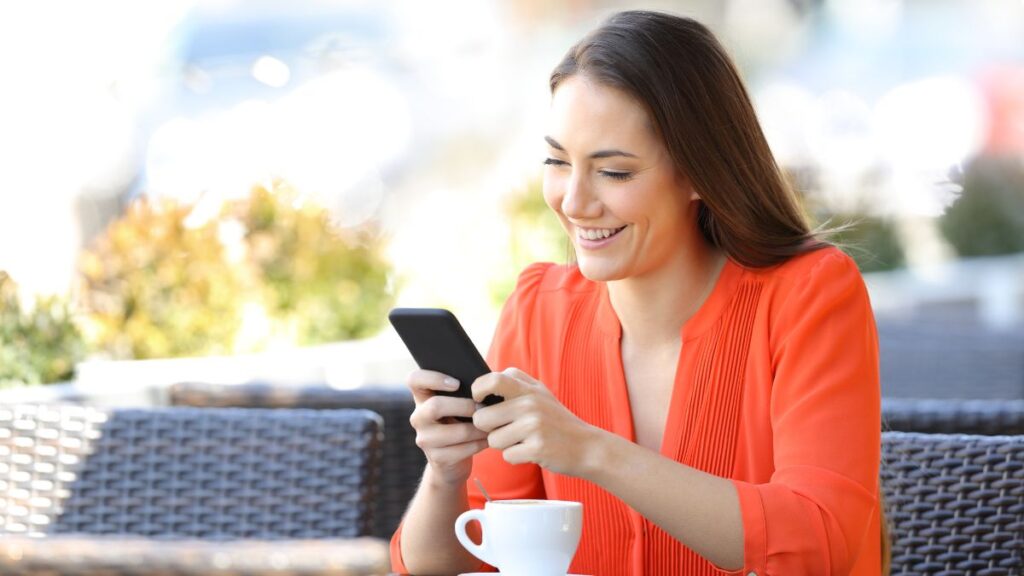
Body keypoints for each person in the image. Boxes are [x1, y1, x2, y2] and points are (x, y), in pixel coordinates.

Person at [392, 10, 884, 576]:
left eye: (615, 173)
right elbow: (449, 564)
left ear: (701, 171)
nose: (574, 201)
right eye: (557, 161)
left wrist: (593, 451)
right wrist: (447, 474)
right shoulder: (539, 310)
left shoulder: (810, 295)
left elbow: (819, 541)